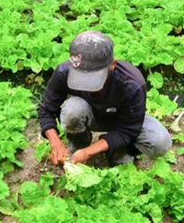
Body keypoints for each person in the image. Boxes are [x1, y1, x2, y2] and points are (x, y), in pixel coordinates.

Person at [37, 30, 172, 166]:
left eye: (93, 77)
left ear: (112, 65)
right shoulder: (64, 73)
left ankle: (121, 150)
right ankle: (79, 144)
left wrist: (89, 152)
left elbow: (128, 129)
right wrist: (55, 143)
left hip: (121, 119)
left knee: (159, 141)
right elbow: (46, 109)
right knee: (72, 110)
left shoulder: (131, 84)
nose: (87, 84)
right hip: (89, 115)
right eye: (81, 77)